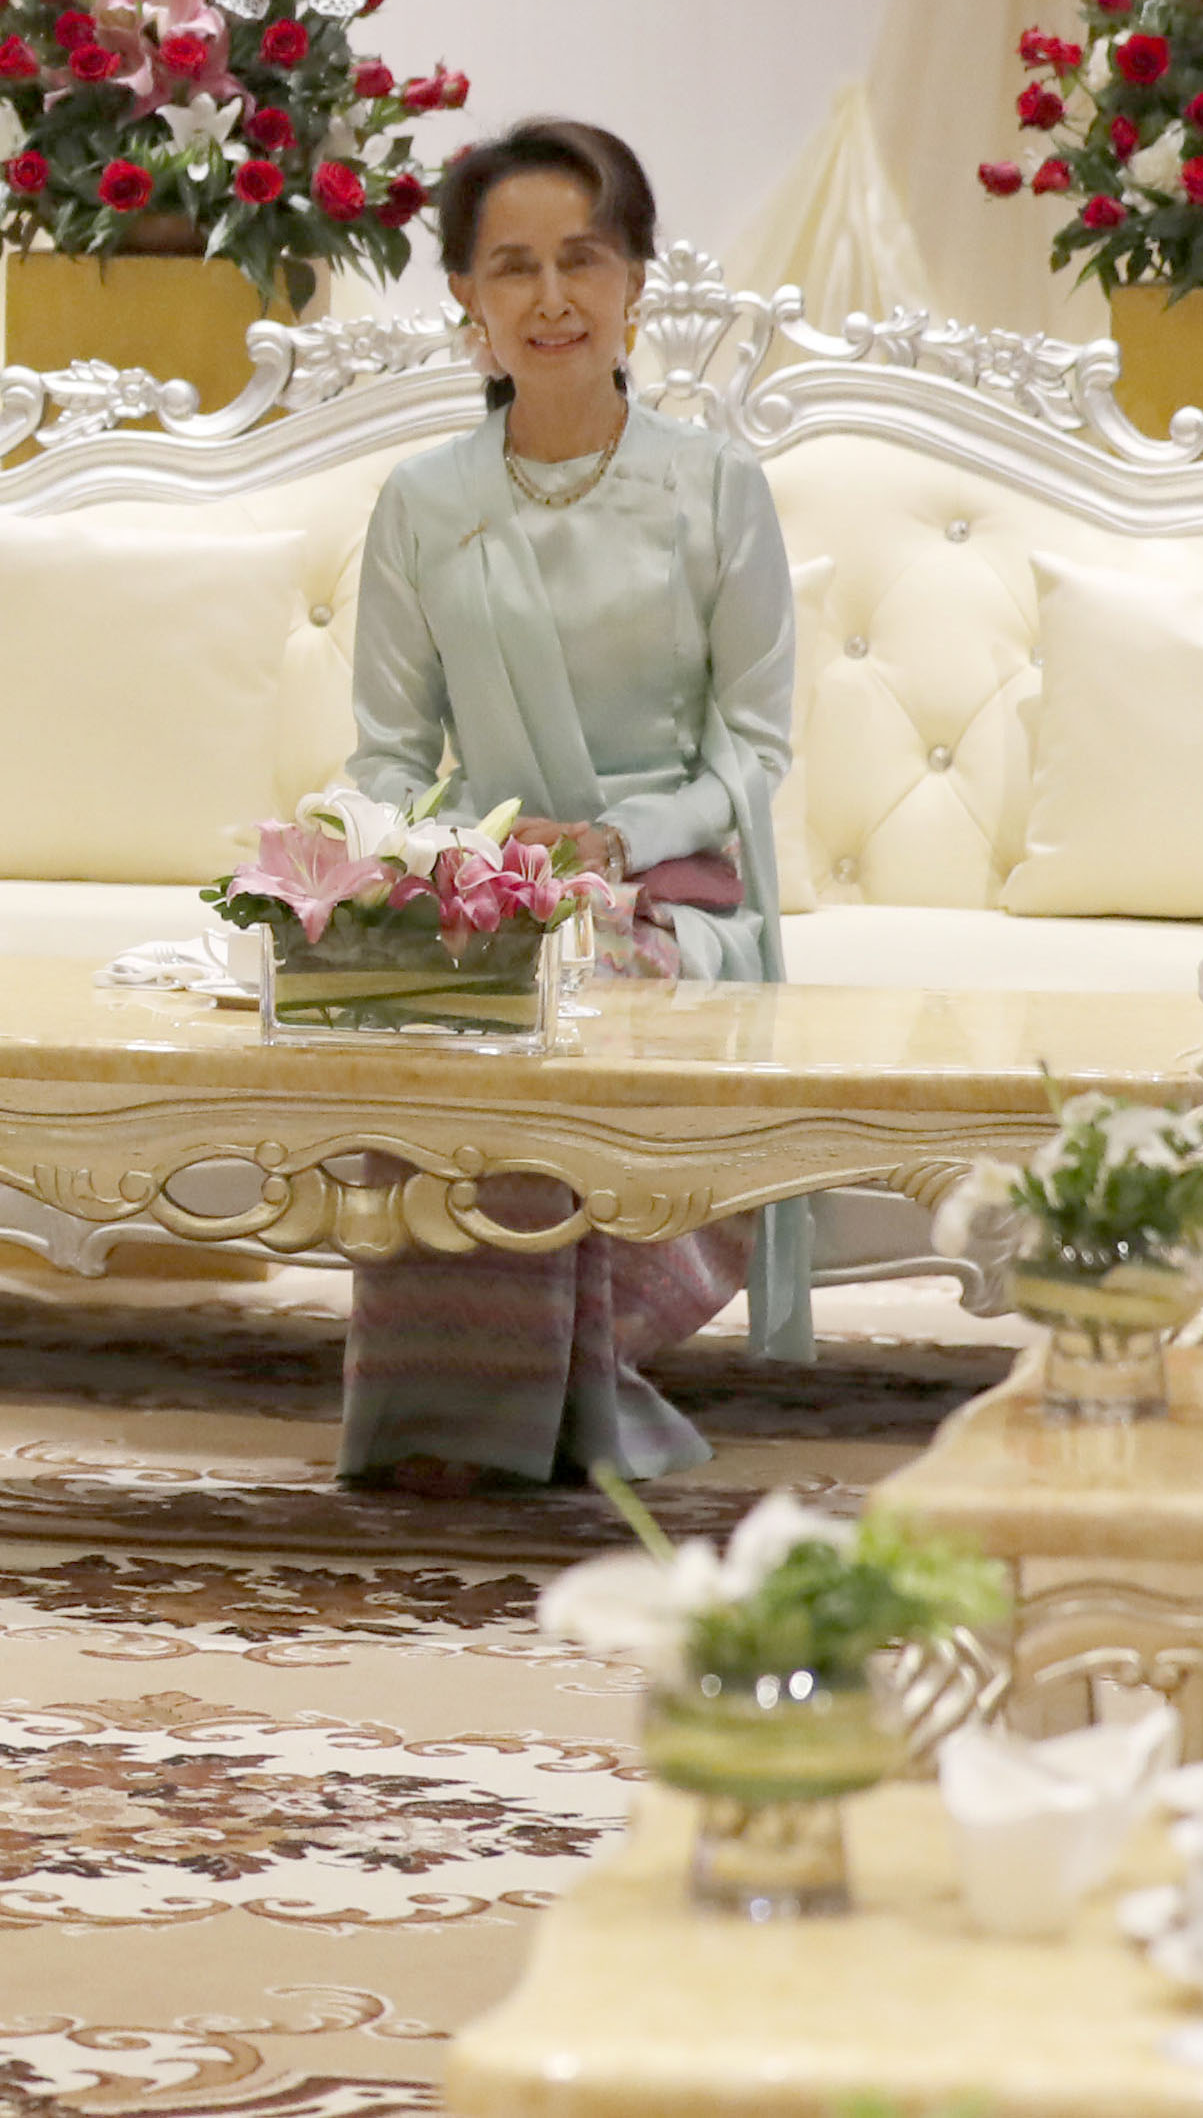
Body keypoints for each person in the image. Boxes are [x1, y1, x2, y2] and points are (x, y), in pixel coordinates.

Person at [334, 118, 799, 1495]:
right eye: (512, 267)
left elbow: (752, 751)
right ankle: (443, 1413)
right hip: (482, 903)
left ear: (636, 282)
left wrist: (617, 847)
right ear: (466, 303)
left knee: (574, 997)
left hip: (667, 901)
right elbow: (384, 764)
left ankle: (517, 1402)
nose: (550, 298)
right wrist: (469, 861)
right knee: (440, 1021)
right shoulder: (421, 504)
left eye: (581, 259)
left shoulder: (715, 489)